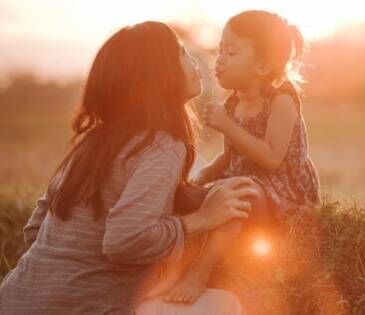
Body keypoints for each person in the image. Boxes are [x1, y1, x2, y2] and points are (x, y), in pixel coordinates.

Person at [0, 21, 254, 315]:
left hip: (13, 300)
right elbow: (124, 240)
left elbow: (35, 230)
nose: (195, 61)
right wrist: (201, 219)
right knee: (225, 305)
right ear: (160, 75)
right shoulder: (162, 145)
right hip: (85, 309)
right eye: (182, 53)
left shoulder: (92, 143)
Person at [162, 10, 321, 304]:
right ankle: (165, 265)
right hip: (244, 181)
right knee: (188, 196)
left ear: (261, 66)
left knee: (238, 193)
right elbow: (231, 154)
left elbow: (272, 158)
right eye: (220, 49)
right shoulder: (233, 101)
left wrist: (227, 126)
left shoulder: (282, 101)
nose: (219, 59)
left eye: (231, 52)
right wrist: (206, 174)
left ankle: (201, 270)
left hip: (282, 194)